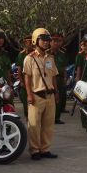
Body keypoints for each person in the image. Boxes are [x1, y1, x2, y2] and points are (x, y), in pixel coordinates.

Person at [22, 28, 59, 160]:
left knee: (48, 125)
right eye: (43, 40)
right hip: (36, 95)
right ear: (35, 41)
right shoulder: (29, 58)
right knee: (34, 125)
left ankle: (45, 149)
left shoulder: (50, 59)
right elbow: (27, 78)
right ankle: (34, 150)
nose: (46, 43)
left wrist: (56, 92)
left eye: (47, 41)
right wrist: (29, 95)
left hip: (50, 95)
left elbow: (53, 77)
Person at [50, 34, 68, 124]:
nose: (56, 43)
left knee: (59, 98)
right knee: (50, 99)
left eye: (57, 41)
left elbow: (64, 67)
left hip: (60, 79)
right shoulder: (47, 54)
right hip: (50, 79)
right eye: (54, 41)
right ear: (50, 42)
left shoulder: (62, 54)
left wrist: (65, 78)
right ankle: (50, 118)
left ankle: (57, 117)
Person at [16, 36, 34, 117]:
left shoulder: (35, 53)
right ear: (25, 44)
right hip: (25, 79)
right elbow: (19, 69)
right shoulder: (22, 54)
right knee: (26, 99)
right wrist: (21, 81)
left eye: (32, 42)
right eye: (29, 42)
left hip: (34, 81)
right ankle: (27, 115)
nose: (31, 44)